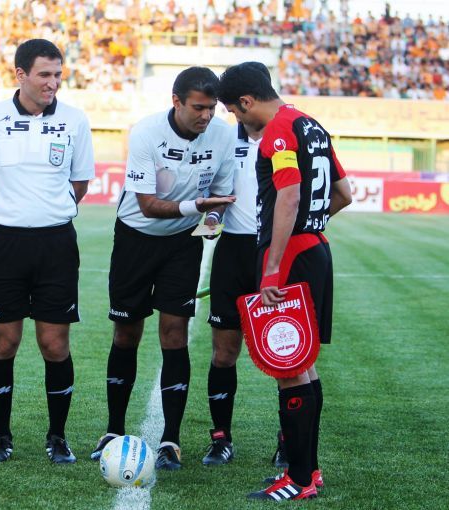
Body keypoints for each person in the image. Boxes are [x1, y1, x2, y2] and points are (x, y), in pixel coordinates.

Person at [90, 66, 237, 471]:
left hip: (182, 244)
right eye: (198, 107)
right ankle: (113, 430)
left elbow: (221, 196)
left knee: (175, 334)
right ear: (176, 102)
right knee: (127, 331)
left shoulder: (223, 135)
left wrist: (210, 221)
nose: (206, 116)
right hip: (135, 236)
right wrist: (198, 207)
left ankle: (171, 439)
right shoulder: (146, 133)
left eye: (211, 108)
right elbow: (147, 205)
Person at [218, 62, 352, 501]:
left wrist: (273, 266)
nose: (239, 121)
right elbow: (344, 194)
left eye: (235, 113)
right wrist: (311, 226)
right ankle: (308, 471)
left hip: (291, 256)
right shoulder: (311, 125)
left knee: (289, 367)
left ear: (246, 101)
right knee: (304, 365)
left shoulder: (278, 131)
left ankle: (297, 478)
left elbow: (289, 195)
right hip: (315, 248)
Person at [0, 38, 95, 464]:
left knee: (54, 344)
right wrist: (12, 211)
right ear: (20, 74)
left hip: (56, 243)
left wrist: (48, 210)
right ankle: (1, 437)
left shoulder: (75, 120)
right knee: (3, 342)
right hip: (4, 243)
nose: (52, 83)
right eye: (44, 74)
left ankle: (57, 437)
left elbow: (80, 182)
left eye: (58, 75)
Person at [202, 61, 288, 468]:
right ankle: (221, 438)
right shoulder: (222, 136)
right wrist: (211, 219)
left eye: (232, 106)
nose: (230, 114)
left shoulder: (287, 133)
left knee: (286, 352)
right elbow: (216, 195)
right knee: (224, 352)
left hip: (275, 252)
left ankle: (289, 439)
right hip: (233, 250)